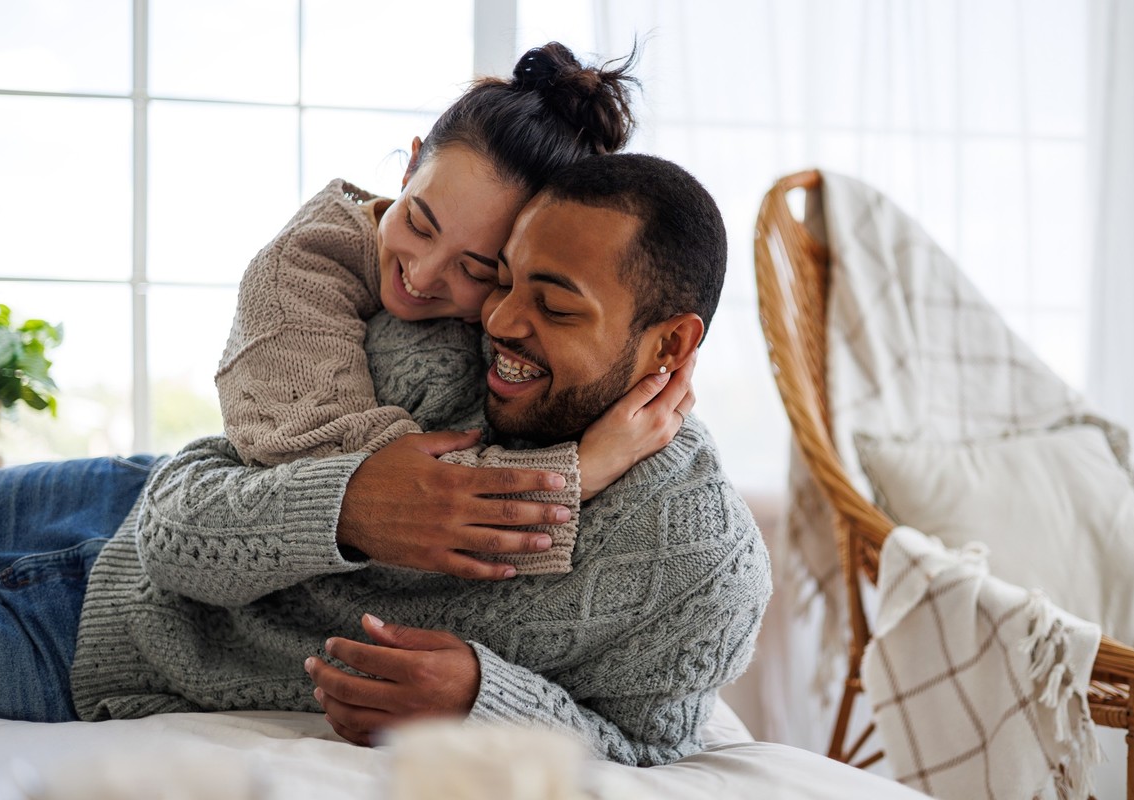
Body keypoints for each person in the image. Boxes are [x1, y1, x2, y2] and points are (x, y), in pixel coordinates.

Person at [64, 154, 771, 767]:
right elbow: (178, 506)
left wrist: (482, 699)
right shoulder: (441, 355)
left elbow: (646, 747)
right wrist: (351, 507)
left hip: (86, 641)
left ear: (671, 346)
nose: (496, 322)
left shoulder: (708, 568)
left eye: (554, 307)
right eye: (504, 279)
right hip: (101, 519)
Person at [215, 41, 692, 580]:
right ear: (411, 163)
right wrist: (586, 468)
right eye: (418, 224)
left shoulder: (510, 312)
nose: (420, 275)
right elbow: (381, 493)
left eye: (477, 270)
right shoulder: (295, 273)